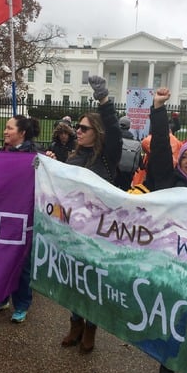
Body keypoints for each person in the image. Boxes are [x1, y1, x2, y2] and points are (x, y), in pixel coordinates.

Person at [127, 88, 187, 373]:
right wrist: (157, 110)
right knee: (174, 324)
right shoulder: (169, 181)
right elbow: (159, 152)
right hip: (174, 263)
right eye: (185, 156)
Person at [60, 76, 122, 354]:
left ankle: (91, 327)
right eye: (77, 127)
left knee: (92, 280)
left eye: (84, 127)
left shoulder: (107, 156)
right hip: (72, 229)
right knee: (74, 279)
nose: (78, 131)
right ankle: (75, 324)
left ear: (96, 131)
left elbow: (114, 131)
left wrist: (104, 101)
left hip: (99, 231)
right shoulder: (73, 157)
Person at [0, 114, 41, 323]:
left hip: (24, 219)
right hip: (0, 217)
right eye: (5, 128)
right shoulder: (0, 154)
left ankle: (22, 304)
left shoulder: (36, 158)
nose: (5, 131)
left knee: (22, 264)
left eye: (9, 128)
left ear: (22, 133)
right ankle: (0, 298)